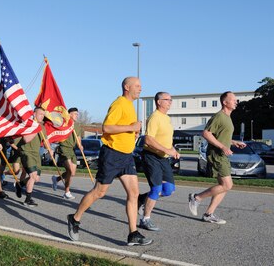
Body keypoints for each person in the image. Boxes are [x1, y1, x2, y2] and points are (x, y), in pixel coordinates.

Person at [66, 77, 153, 246]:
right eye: (137, 86)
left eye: (141, 86)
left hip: (126, 156)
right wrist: (131, 128)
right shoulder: (119, 104)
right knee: (99, 192)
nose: (140, 89)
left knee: (134, 193)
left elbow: (122, 128)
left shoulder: (130, 106)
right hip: (112, 154)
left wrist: (132, 133)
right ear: (127, 87)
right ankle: (75, 218)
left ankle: (133, 233)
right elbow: (106, 128)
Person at [189, 91, 246, 224]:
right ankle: (196, 198)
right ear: (225, 102)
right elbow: (206, 133)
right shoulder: (219, 116)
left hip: (222, 154)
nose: (236, 102)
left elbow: (221, 136)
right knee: (227, 185)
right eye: (233, 100)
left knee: (224, 186)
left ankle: (209, 214)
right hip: (217, 154)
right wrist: (223, 147)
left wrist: (233, 142)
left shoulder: (227, 117)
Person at [138, 92, 180, 231]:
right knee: (156, 189)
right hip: (151, 156)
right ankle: (145, 219)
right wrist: (167, 151)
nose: (170, 102)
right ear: (158, 102)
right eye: (167, 99)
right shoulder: (155, 117)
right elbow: (148, 139)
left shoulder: (166, 118)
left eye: (171, 99)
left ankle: (142, 199)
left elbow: (166, 140)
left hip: (163, 158)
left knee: (168, 190)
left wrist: (172, 150)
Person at [15, 107, 53, 207]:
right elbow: (26, 139)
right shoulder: (28, 124)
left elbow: (46, 140)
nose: (42, 116)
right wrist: (36, 129)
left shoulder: (42, 127)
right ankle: (27, 199)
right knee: (33, 176)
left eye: (43, 115)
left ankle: (20, 184)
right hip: (27, 152)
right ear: (34, 114)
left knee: (36, 179)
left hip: (36, 154)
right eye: (40, 114)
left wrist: (50, 150)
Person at [51, 107, 83, 199]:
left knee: (72, 173)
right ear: (69, 114)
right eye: (75, 114)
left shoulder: (77, 126)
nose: (77, 115)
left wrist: (80, 145)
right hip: (64, 148)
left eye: (77, 114)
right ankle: (67, 192)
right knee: (70, 171)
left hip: (72, 149)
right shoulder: (64, 124)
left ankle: (56, 179)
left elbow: (78, 137)